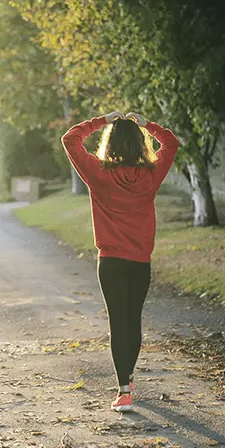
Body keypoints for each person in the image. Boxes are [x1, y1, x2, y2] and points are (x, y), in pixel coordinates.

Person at [61, 110, 181, 412]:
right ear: (140, 144)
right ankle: (128, 380)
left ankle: (124, 391)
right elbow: (172, 143)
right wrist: (147, 125)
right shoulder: (151, 175)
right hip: (140, 262)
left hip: (111, 262)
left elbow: (70, 139)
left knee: (118, 322)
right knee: (133, 320)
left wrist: (102, 120)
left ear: (110, 144)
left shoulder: (98, 174)